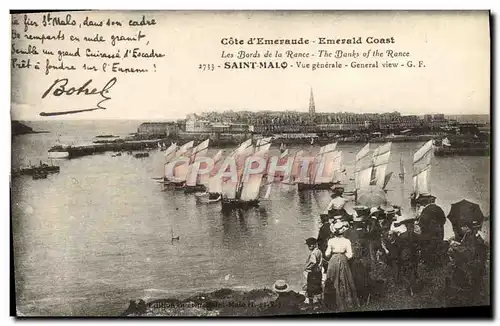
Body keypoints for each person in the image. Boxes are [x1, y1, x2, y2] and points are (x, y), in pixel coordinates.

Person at [323, 221, 360, 311]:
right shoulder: (347, 241)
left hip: (333, 260)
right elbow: (350, 255)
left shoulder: (331, 241)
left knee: (332, 280)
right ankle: (347, 302)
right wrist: (343, 257)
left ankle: (333, 302)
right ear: (343, 231)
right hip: (343, 260)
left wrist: (334, 255)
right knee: (345, 280)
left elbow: (327, 254)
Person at [416, 194, 447, 268]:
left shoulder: (426, 210)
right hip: (439, 233)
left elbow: (422, 223)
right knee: (436, 249)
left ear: (424, 202)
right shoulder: (438, 208)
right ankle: (436, 265)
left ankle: (428, 265)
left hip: (428, 235)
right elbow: (443, 220)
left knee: (428, 249)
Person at [304, 238, 323, 305]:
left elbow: (313, 262)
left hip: (313, 273)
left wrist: (307, 268)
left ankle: (311, 305)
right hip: (319, 273)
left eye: (310, 245)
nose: (309, 247)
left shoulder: (313, 253)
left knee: (310, 290)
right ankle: (319, 303)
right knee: (318, 288)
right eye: (308, 245)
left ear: (314, 245)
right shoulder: (319, 251)